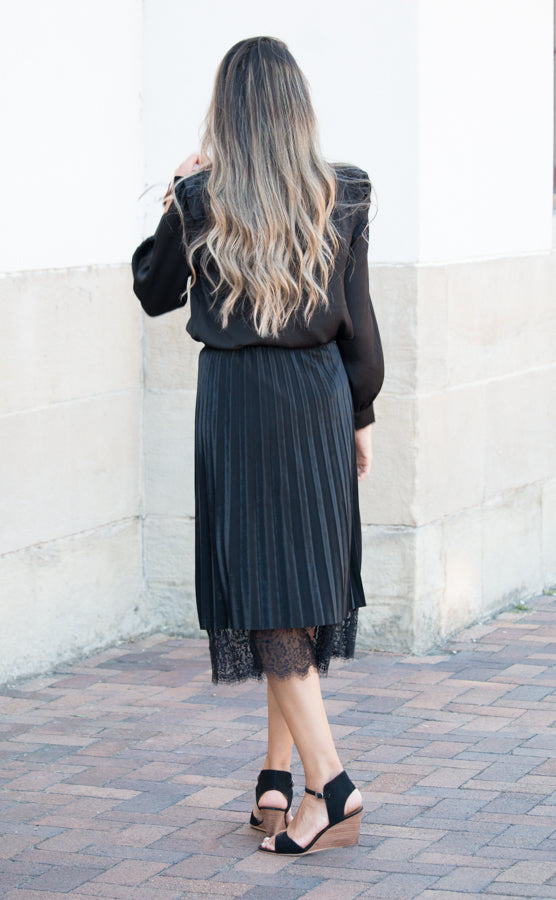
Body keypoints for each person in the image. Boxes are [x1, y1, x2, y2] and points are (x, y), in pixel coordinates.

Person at [132, 36, 384, 855]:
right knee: (291, 587)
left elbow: (153, 292)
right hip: (317, 399)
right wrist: (360, 411)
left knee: (269, 590)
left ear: (229, 111)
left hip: (241, 405)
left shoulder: (205, 196)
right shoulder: (341, 192)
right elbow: (360, 321)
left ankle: (331, 785)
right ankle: (277, 777)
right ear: (296, 107)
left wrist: (176, 197)